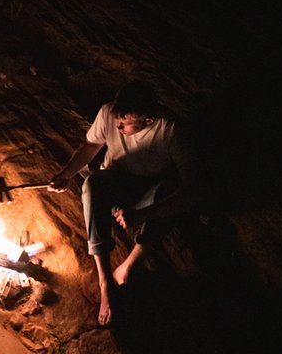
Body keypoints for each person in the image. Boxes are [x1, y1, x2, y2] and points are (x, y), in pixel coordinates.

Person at [49, 80, 200, 325]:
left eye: (125, 124)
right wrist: (66, 174)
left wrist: (144, 214)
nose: (117, 127)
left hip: (148, 189)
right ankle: (105, 280)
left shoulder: (171, 130)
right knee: (92, 185)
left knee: (172, 194)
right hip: (115, 179)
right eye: (117, 120)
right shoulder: (110, 112)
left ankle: (128, 265)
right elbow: (91, 144)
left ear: (148, 121)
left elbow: (194, 188)